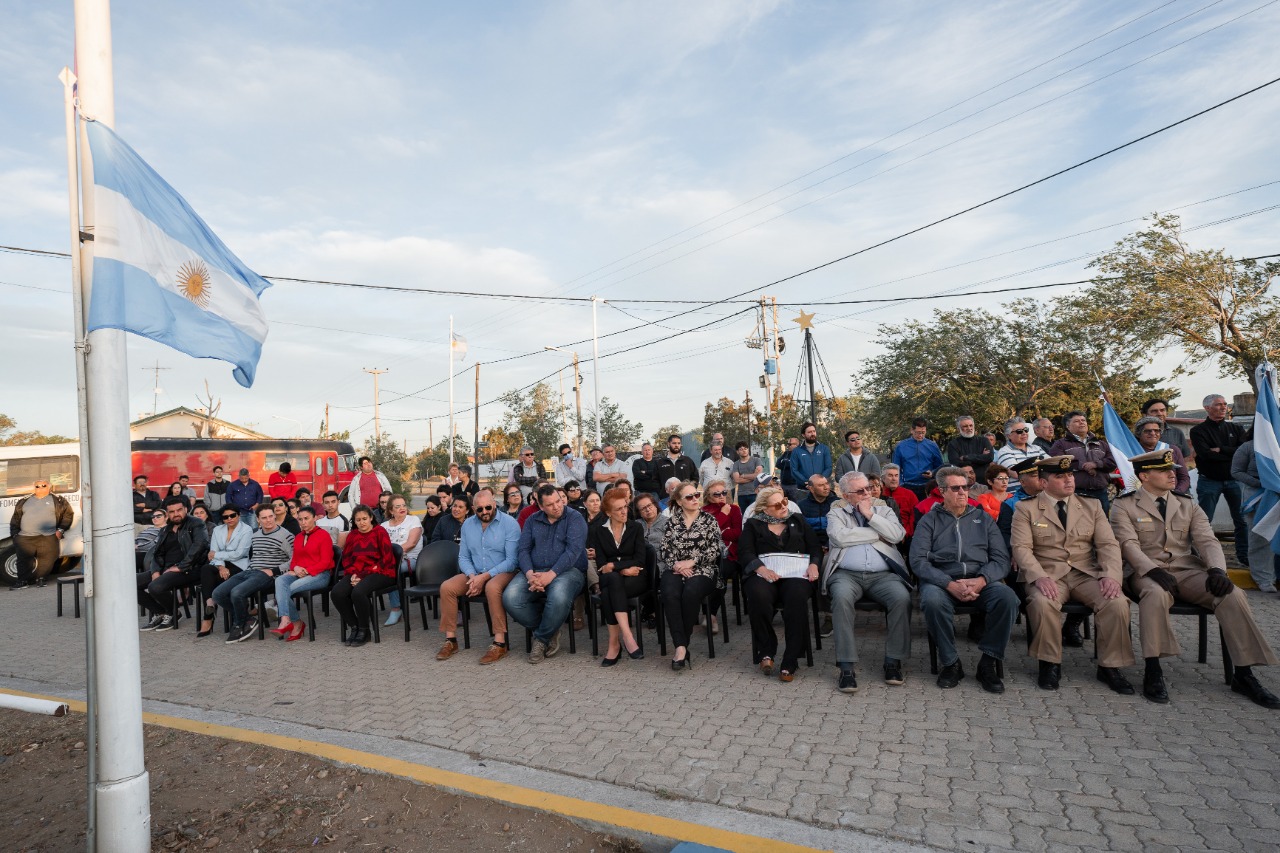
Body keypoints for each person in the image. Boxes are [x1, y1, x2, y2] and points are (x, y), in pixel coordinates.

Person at [1111, 450, 1279, 707]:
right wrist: (1150, 569)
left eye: (1172, 469)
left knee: (1231, 594)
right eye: (1163, 470)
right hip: (1145, 571)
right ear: (1144, 476)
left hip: (1186, 570)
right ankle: (1153, 669)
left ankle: (1244, 673)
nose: (1172, 474)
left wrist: (1217, 570)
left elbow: (1207, 540)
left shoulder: (1187, 503)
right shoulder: (1124, 505)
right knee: (1155, 594)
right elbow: (1127, 544)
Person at [1010, 456, 1135, 694]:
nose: (1068, 480)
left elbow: (1108, 545)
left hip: (1084, 573)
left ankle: (1110, 666)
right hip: (1048, 574)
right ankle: (1049, 663)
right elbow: (1021, 548)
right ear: (1044, 483)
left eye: (1069, 475)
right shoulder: (1025, 508)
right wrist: (1038, 577)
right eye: (1060, 476)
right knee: (1042, 602)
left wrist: (1111, 576)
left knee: (1116, 602)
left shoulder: (1092, 506)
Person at [910, 467, 1018, 693]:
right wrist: (948, 583)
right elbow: (918, 561)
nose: (962, 492)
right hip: (943, 582)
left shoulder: (983, 519)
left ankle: (988, 662)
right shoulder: (929, 521)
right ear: (942, 491)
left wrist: (981, 580)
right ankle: (951, 663)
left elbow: (1000, 558)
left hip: (981, 581)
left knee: (1008, 598)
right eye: (955, 488)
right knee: (931, 601)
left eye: (966, 487)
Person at [821, 473, 912, 692]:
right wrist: (877, 534)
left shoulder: (884, 510)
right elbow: (839, 537)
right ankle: (846, 666)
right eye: (860, 491)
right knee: (841, 599)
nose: (866, 493)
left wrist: (871, 517)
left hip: (884, 575)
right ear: (845, 495)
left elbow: (898, 535)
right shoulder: (836, 512)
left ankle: (893, 661)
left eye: (868, 488)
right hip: (846, 574)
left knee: (902, 598)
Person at [741, 484, 823, 683]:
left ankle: (791, 658)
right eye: (777, 505)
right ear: (764, 509)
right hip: (765, 574)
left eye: (784, 501)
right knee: (758, 595)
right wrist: (761, 569)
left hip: (796, 574)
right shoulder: (754, 524)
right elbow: (745, 552)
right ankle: (766, 650)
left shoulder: (798, 520)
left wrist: (814, 565)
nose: (783, 507)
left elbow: (815, 547)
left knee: (796, 598)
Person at [504, 485, 589, 663]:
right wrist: (529, 575)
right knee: (510, 598)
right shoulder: (532, 520)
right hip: (534, 571)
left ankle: (541, 639)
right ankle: (551, 628)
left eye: (558, 501)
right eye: (550, 505)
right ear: (541, 506)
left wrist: (550, 575)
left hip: (569, 571)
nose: (557, 506)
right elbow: (523, 550)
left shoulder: (575, 518)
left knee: (558, 596)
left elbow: (572, 552)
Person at [436, 487, 521, 665]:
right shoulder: (468, 524)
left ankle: (500, 642)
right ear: (474, 509)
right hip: (475, 573)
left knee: (492, 587)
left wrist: (485, 577)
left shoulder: (509, 523)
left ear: (494, 504)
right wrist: (473, 576)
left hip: (503, 571)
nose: (485, 512)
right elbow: (463, 556)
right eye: (480, 509)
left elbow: (512, 560)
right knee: (447, 587)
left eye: (488, 508)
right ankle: (451, 640)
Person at [660, 482, 723, 672]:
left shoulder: (709, 520)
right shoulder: (672, 522)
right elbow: (664, 550)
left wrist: (692, 562)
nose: (695, 499)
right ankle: (681, 647)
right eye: (689, 497)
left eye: (696, 495)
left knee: (691, 591)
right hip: (676, 569)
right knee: (669, 592)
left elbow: (715, 549)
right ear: (679, 501)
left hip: (704, 569)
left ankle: (681, 645)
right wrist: (678, 565)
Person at [211, 504, 292, 643]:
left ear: (275, 516)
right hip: (250, 571)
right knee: (217, 594)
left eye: (271, 516)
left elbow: (294, 560)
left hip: (269, 575)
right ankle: (248, 618)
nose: (268, 520)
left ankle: (238, 624)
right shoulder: (255, 534)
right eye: (264, 518)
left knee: (237, 592)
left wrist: (273, 571)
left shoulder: (286, 536)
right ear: (258, 519)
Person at [1190, 393, 1250, 567]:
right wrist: (1231, 453)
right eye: (1218, 404)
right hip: (1209, 481)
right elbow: (1206, 455)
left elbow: (1243, 452)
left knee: (1241, 520)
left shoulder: (1236, 429)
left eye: (1225, 404)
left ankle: (1244, 557)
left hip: (1235, 480)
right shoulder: (1198, 431)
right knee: (1204, 521)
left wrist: (1221, 449)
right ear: (1207, 408)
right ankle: (1203, 558)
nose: (1224, 407)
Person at [592, 488, 649, 666]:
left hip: (636, 578)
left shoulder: (636, 527)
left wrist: (616, 566)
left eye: (625, 506)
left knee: (609, 591)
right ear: (608, 512)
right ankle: (628, 636)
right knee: (613, 581)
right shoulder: (598, 531)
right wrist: (622, 568)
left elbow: (640, 559)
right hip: (612, 578)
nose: (624, 511)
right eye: (618, 509)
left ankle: (614, 645)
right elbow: (602, 564)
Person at [137, 496, 209, 632]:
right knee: (131, 585)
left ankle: (173, 613)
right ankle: (162, 612)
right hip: (166, 569)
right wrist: (155, 571)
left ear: (186, 509)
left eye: (179, 510)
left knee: (155, 587)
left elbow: (200, 546)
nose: (176, 514)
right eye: (172, 511)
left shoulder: (196, 523)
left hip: (190, 568)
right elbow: (157, 553)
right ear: (167, 513)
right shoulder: (165, 529)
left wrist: (181, 566)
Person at [331, 505, 397, 647]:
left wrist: (362, 575)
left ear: (371, 518)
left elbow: (386, 559)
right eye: (358, 520)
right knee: (337, 593)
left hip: (381, 571)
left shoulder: (380, 532)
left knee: (358, 592)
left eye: (364, 519)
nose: (362, 522)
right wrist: (353, 574)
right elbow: (347, 558)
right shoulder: (353, 535)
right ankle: (355, 627)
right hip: (357, 572)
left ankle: (364, 630)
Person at [270, 506, 335, 642]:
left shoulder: (323, 535)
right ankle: (289, 620)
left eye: (306, 518)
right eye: (300, 519)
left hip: (320, 575)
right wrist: (297, 567)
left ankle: (291, 621)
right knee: (280, 581)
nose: (303, 522)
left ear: (315, 518)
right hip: (301, 574)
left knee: (286, 590)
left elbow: (326, 561)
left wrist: (306, 571)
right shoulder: (299, 537)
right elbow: (294, 561)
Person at [1231, 433, 1277, 593]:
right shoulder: (1248, 446)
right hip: (1258, 496)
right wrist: (1262, 482)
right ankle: (1263, 579)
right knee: (1259, 537)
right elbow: (1236, 471)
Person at [10, 477, 74, 589]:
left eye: (43, 485)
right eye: (37, 486)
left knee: (47, 559)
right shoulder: (24, 500)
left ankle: (41, 579)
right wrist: (15, 535)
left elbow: (68, 515)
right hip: (25, 536)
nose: (40, 488)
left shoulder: (58, 500)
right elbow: (15, 518)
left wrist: (60, 530)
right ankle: (23, 581)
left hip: (48, 536)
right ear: (34, 488)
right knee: (23, 560)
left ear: (49, 487)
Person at [199, 505, 252, 637]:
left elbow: (239, 554)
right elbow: (213, 550)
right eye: (225, 517)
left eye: (232, 515)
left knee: (218, 579)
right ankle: (210, 603)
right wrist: (221, 566)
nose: (229, 519)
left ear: (238, 515)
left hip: (239, 564)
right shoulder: (218, 529)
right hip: (221, 564)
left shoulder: (246, 529)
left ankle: (210, 617)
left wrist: (217, 555)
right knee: (206, 569)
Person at [1050, 410, 1117, 513]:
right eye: (1077, 421)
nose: (1081, 422)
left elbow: (1112, 462)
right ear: (1068, 426)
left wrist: (1096, 464)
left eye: (1083, 420)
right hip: (1075, 493)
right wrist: (1084, 466)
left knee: (1102, 525)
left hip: (1101, 492)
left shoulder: (1101, 444)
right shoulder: (1060, 444)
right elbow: (1059, 462)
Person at [380, 494, 424, 627]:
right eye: (397, 506)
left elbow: (411, 543)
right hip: (390, 560)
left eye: (403, 505)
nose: (402, 508)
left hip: (412, 559)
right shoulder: (383, 526)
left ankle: (396, 608)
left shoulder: (413, 520)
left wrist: (390, 556)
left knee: (391, 569)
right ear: (390, 510)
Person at [1133, 416, 1190, 494]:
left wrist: (1176, 493)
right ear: (1139, 433)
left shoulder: (1172, 449)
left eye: (1156, 430)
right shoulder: (1131, 451)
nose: (1153, 433)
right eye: (1147, 431)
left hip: (1171, 496)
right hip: (1140, 496)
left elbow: (1184, 477)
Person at [891, 418, 943, 499]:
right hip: (908, 485)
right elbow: (895, 467)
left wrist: (932, 473)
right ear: (912, 430)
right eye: (918, 432)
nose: (921, 435)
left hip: (928, 486)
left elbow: (940, 466)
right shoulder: (901, 446)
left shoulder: (932, 446)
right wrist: (900, 484)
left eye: (923, 432)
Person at [946, 416, 994, 484]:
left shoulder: (984, 441)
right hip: (964, 484)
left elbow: (989, 457)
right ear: (958, 429)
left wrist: (966, 457)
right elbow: (956, 463)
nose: (969, 428)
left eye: (971, 425)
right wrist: (981, 457)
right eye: (965, 426)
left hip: (984, 483)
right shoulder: (953, 444)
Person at [791, 422, 833, 495]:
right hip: (803, 489)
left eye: (814, 431)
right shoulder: (796, 451)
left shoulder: (824, 448)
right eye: (809, 432)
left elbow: (828, 467)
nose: (812, 434)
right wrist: (807, 482)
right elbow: (794, 470)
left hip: (822, 488)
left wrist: (820, 481)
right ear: (803, 435)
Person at [797, 474, 836, 548]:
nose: (826, 488)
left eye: (827, 483)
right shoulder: (801, 506)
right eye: (821, 485)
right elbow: (801, 532)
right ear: (811, 489)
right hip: (810, 546)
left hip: (834, 544)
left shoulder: (837, 503)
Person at [879, 464, 918, 537]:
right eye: (890, 475)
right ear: (883, 478)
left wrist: (906, 533)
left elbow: (914, 516)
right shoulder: (878, 494)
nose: (894, 479)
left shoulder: (909, 494)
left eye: (896, 475)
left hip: (906, 536)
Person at [730, 441, 765, 510]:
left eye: (745, 448)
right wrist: (753, 476)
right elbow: (737, 479)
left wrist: (742, 475)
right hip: (742, 495)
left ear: (748, 450)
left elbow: (758, 475)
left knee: (755, 515)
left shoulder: (756, 460)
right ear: (737, 452)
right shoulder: (736, 464)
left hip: (755, 493)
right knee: (744, 516)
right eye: (741, 449)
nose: (744, 451)